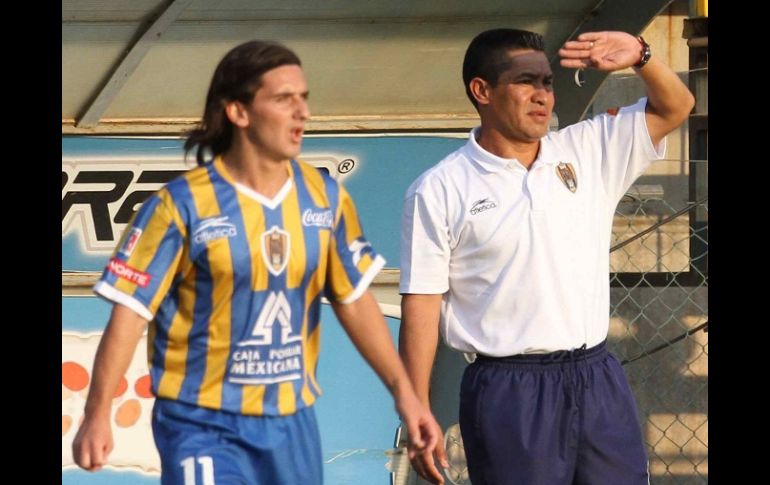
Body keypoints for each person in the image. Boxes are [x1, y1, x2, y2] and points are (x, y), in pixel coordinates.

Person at [72, 39, 442, 485]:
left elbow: (353, 299)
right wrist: (97, 413)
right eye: (284, 99)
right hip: (201, 421)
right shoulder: (181, 205)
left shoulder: (323, 197)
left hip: (289, 420)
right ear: (239, 112)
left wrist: (406, 394)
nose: (301, 111)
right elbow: (130, 312)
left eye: (304, 98)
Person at [399, 29, 694, 485]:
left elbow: (676, 106)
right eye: (525, 82)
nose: (542, 96)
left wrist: (642, 55)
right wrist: (416, 404)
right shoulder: (440, 188)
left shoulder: (587, 149)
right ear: (482, 91)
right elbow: (421, 302)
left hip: (597, 377)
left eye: (548, 82)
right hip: (509, 390)